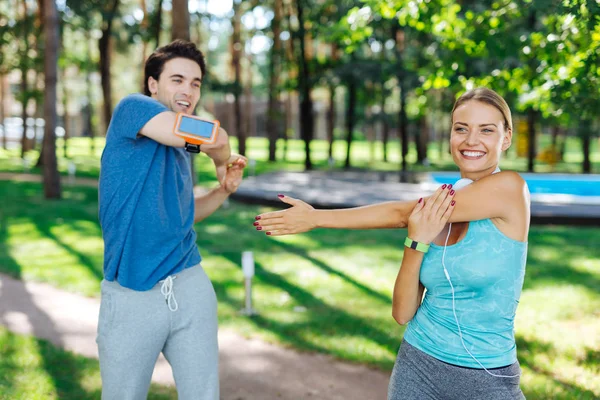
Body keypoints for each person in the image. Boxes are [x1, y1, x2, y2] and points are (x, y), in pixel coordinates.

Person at [254, 87, 529, 399]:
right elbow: (402, 314)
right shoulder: (440, 204)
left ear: (506, 138)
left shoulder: (511, 189)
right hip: (418, 363)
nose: (470, 141)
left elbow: (400, 212)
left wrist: (317, 218)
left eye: (487, 130)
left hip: (487, 378)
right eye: (461, 129)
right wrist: (415, 243)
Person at [98, 39, 247, 400]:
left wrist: (223, 190)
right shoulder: (133, 109)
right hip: (133, 294)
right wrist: (218, 159)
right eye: (177, 79)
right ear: (153, 84)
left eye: (195, 83)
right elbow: (217, 137)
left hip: (189, 284)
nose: (188, 90)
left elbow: (184, 215)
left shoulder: (180, 151)